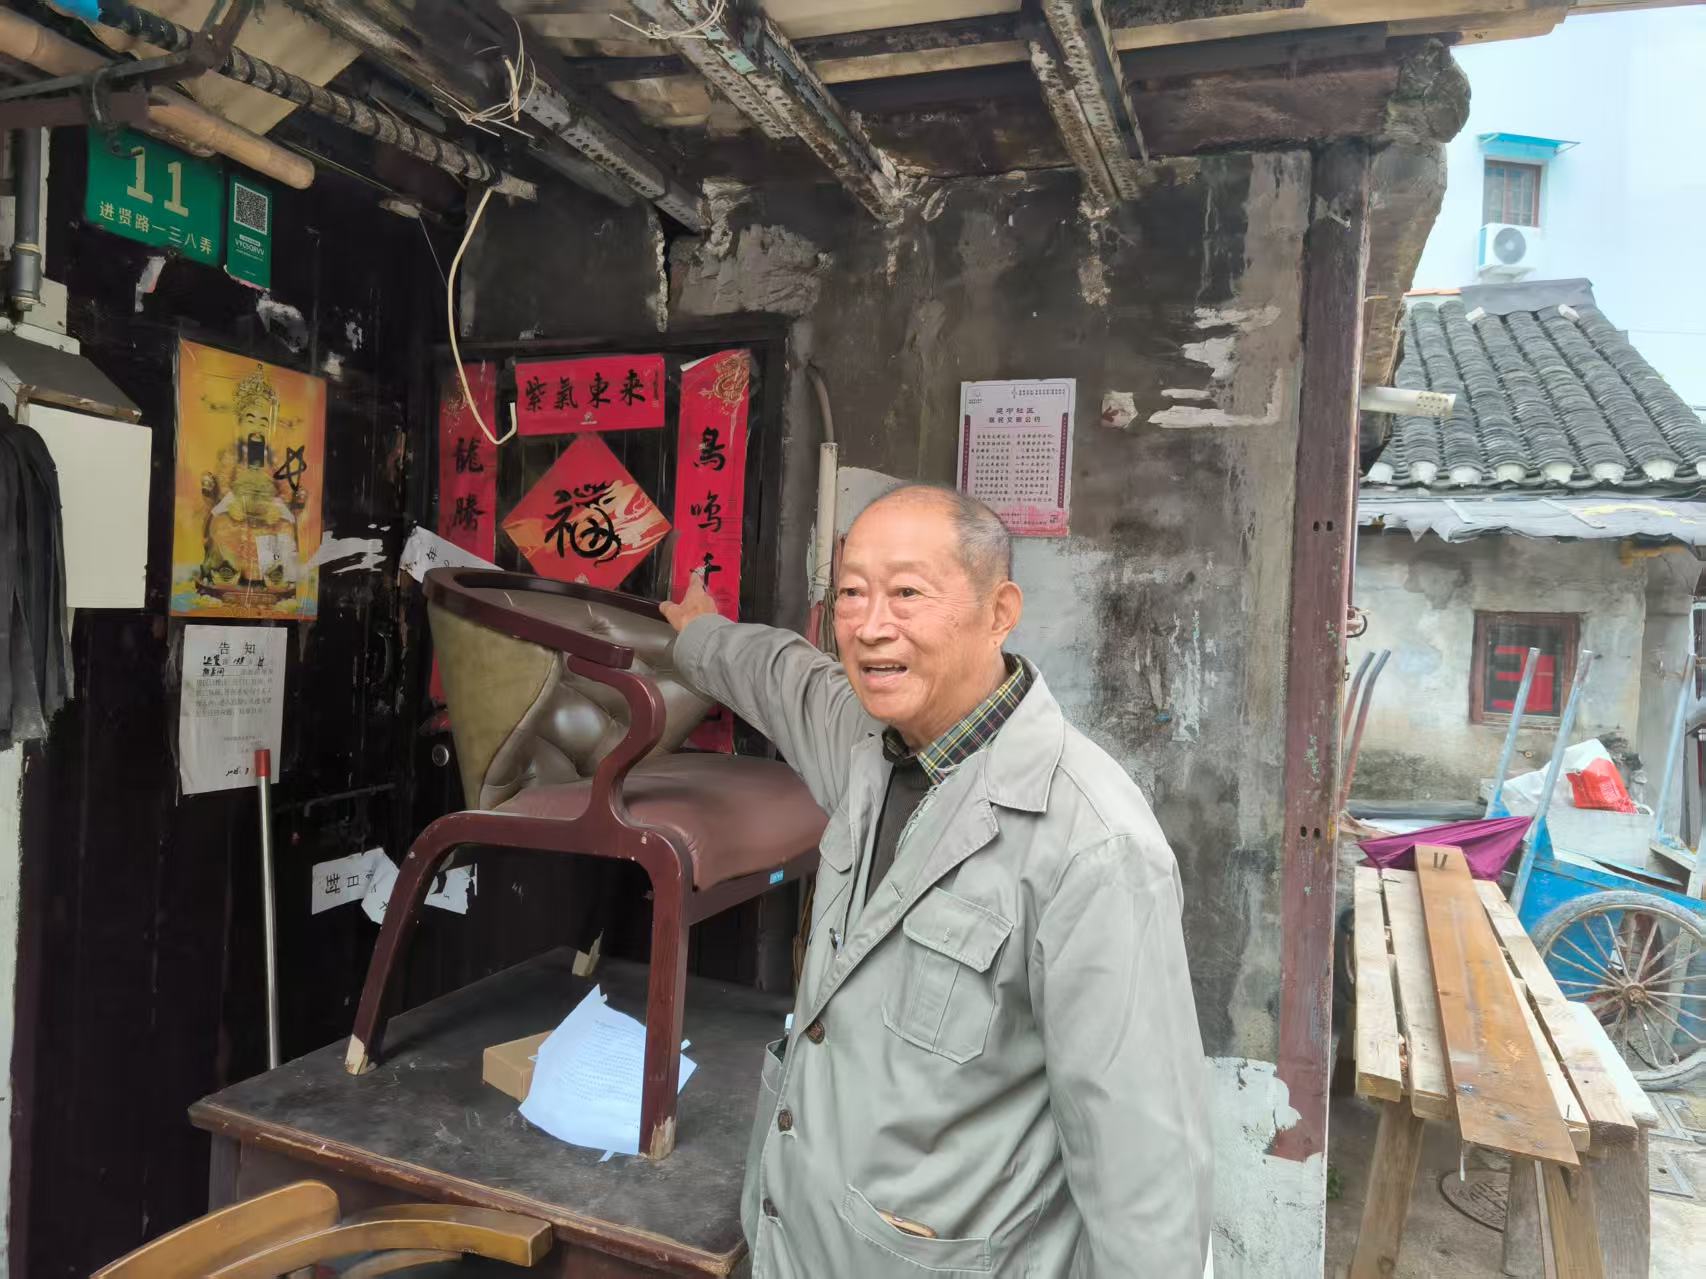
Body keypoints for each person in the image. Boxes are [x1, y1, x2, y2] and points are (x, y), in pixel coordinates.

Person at [661, 483, 1212, 1278]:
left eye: (907, 593)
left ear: (999, 611)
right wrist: (697, 635)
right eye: (852, 593)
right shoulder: (868, 741)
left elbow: (1145, 1179)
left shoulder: (1094, 845)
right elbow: (782, 677)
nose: (870, 624)